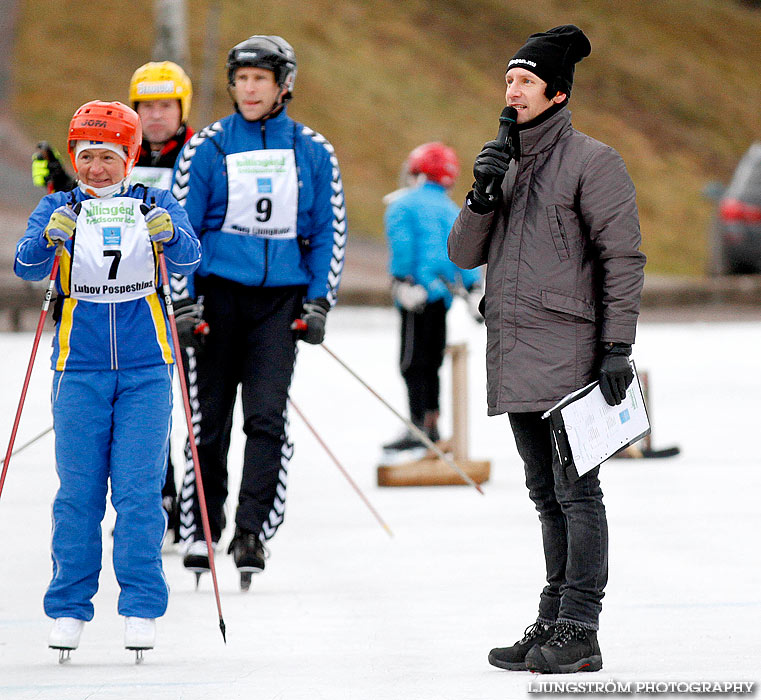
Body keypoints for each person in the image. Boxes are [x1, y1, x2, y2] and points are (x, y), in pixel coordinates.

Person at [448, 25, 646, 674]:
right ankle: (553, 617)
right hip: (515, 349)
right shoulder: (503, 162)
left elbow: (622, 259)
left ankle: (579, 628)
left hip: (570, 355)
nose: (512, 90)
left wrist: (617, 345)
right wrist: (481, 193)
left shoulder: (593, 162)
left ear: (557, 93)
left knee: (576, 492)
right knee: (544, 494)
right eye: (508, 79)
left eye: (525, 81)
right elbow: (461, 254)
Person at [15, 100, 201, 658]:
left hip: (146, 369)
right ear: (74, 157)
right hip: (79, 369)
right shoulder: (58, 204)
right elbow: (25, 265)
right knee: (78, 495)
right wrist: (49, 236)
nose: (97, 168)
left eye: (110, 157)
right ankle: (69, 607)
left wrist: (172, 237)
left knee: (139, 493)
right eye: (87, 156)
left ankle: (141, 605)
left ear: (130, 158)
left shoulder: (155, 201)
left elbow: (191, 256)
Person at [171, 35, 346, 587]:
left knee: (267, 417)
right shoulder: (209, 145)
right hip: (218, 295)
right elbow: (179, 227)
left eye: (260, 80)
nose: (249, 89)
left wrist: (319, 300)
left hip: (280, 302)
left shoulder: (312, 149)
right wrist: (183, 299)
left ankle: (251, 529)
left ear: (283, 86)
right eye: (241, 79)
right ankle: (203, 523)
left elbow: (328, 231)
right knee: (210, 418)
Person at [32, 61, 197, 544]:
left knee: (154, 422)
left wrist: (180, 251)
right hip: (88, 320)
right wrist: (56, 185)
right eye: (148, 105)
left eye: (166, 104)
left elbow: (190, 233)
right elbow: (85, 194)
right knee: (87, 474)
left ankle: (170, 501)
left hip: (156, 305)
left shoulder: (193, 154)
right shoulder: (108, 152)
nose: (157, 113)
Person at [381, 142, 482, 453]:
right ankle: (431, 422)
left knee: (412, 362)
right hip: (441, 298)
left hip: (417, 294)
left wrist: (402, 282)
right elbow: (465, 253)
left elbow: (403, 247)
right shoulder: (453, 210)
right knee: (432, 362)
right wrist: (473, 288)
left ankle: (418, 426)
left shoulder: (403, 205)